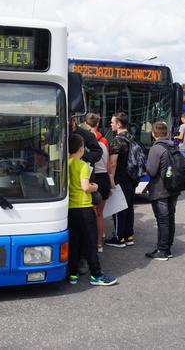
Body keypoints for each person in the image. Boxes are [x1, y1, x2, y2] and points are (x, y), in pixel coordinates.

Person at [67, 134, 117, 286]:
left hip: (71, 209)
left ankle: (73, 274)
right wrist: (95, 186)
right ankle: (97, 275)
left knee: (74, 242)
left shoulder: (67, 164)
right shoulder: (82, 165)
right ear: (81, 149)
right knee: (90, 242)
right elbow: (85, 187)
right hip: (84, 208)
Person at [145, 122, 180, 260]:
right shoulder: (173, 146)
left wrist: (145, 165)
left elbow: (152, 171)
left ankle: (162, 250)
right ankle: (168, 248)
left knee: (162, 220)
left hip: (160, 189)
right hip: (174, 187)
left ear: (153, 133)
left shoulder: (156, 149)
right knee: (170, 218)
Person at [106, 112, 137, 248]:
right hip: (132, 177)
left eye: (112, 122)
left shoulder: (117, 140)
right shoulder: (132, 137)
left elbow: (113, 163)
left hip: (120, 177)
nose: (111, 124)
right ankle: (129, 235)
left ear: (119, 124)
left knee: (119, 207)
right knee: (129, 206)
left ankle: (119, 238)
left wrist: (110, 178)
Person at [85, 113, 112, 253]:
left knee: (91, 214)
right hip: (104, 179)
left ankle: (89, 244)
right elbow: (108, 166)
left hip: (93, 178)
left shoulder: (85, 143)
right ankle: (99, 244)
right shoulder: (103, 143)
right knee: (100, 214)